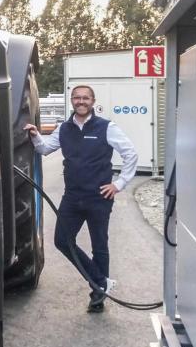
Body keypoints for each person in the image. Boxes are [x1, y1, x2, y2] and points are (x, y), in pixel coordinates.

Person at [24, 85, 138, 313]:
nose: (81, 101)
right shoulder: (64, 128)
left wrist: (118, 184)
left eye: (85, 98)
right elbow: (45, 149)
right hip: (72, 197)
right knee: (62, 241)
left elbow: (131, 154)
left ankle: (98, 295)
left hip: (99, 197)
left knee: (100, 245)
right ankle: (100, 280)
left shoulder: (107, 127)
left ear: (93, 101)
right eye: (77, 98)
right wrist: (36, 136)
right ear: (72, 101)